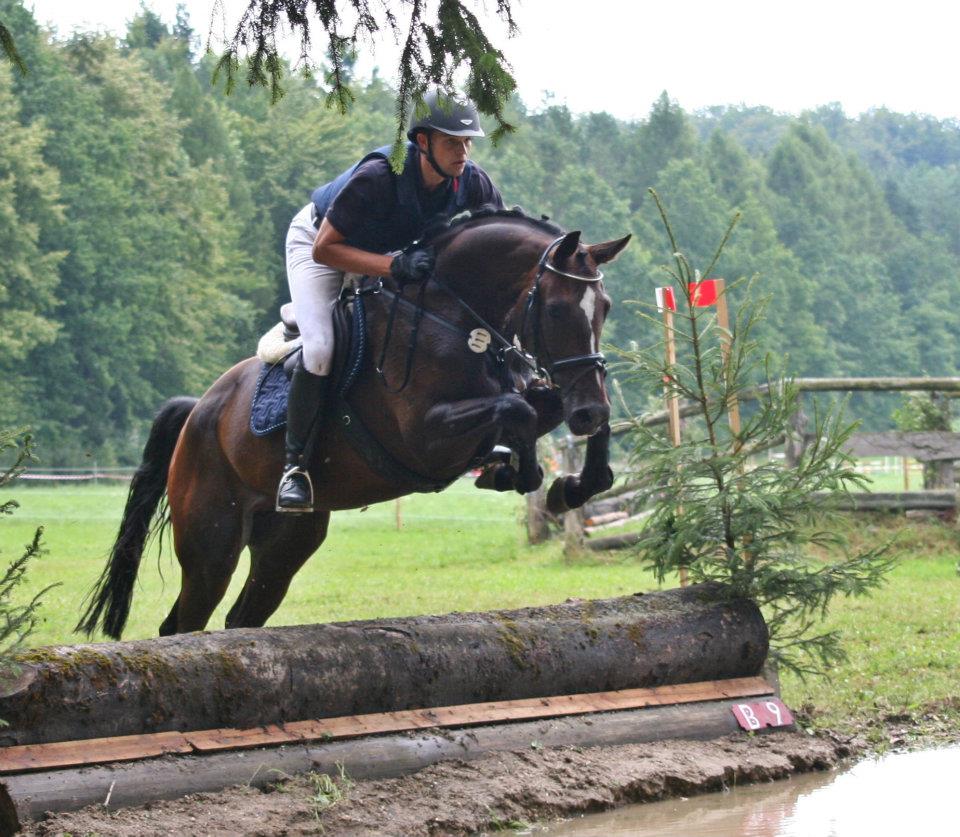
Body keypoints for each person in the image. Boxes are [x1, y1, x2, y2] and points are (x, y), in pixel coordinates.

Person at [277, 90, 505, 512]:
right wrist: (393, 266)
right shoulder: (379, 176)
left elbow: (495, 245)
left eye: (467, 141)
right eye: (452, 142)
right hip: (321, 245)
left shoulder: (471, 182)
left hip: (384, 258)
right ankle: (295, 468)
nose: (463, 151)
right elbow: (325, 250)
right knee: (322, 348)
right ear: (422, 142)